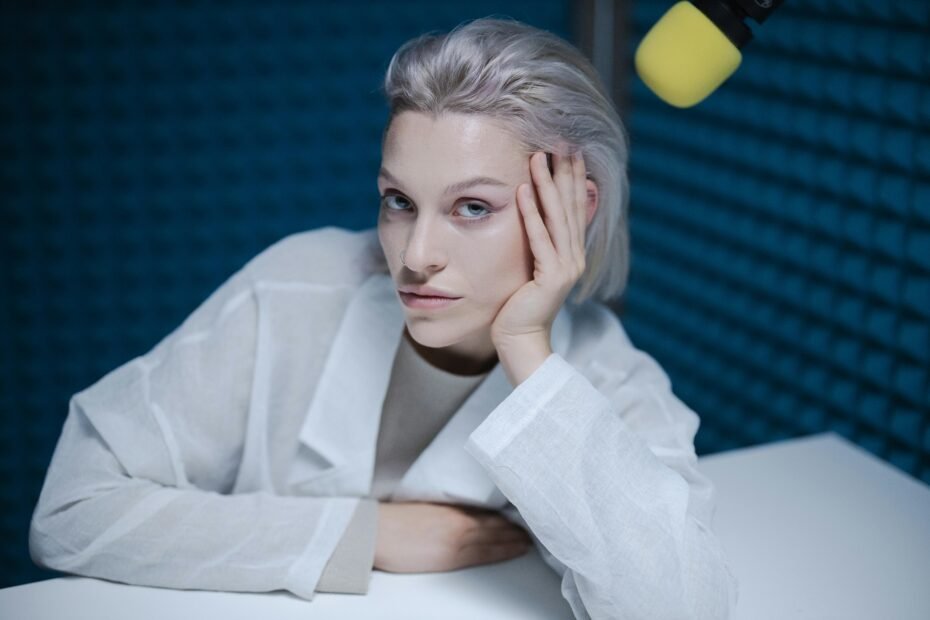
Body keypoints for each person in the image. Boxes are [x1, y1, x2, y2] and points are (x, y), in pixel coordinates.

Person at [29, 15, 738, 620]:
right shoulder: (294, 287)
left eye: (472, 208)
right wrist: (362, 534)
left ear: (571, 209)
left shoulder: (603, 376)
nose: (416, 255)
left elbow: (680, 606)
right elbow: (69, 511)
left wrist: (525, 346)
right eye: (400, 201)